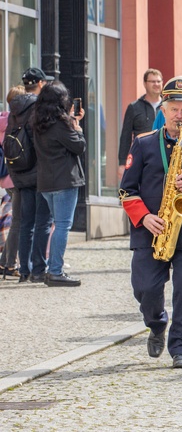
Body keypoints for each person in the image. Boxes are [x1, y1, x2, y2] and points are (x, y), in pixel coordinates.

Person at [120, 76, 182, 368]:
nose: (179, 115)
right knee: (145, 288)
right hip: (150, 229)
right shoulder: (143, 143)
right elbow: (127, 190)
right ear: (162, 110)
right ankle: (156, 323)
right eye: (174, 109)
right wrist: (144, 216)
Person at [30, 82, 86, 287]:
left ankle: (48, 268)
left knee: (53, 224)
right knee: (62, 226)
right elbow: (79, 146)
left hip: (46, 181)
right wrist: (78, 128)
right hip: (64, 180)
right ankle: (55, 271)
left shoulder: (38, 123)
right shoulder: (61, 124)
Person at [9, 67, 54, 284]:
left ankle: (24, 270)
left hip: (20, 171)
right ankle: (38, 270)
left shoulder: (15, 108)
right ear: (41, 84)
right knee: (43, 222)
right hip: (40, 171)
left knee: (25, 222)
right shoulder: (39, 108)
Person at [118, 68, 162, 179]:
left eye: (159, 81)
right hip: (141, 159)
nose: (156, 84)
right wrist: (122, 163)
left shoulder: (169, 107)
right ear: (145, 83)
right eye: (152, 81)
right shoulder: (134, 107)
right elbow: (125, 136)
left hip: (165, 157)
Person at [0, 85, 26, 279]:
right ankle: (8, 263)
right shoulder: (16, 121)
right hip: (17, 177)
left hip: (5, 178)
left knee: (12, 220)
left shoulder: (3, 119)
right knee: (18, 221)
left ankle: (5, 261)